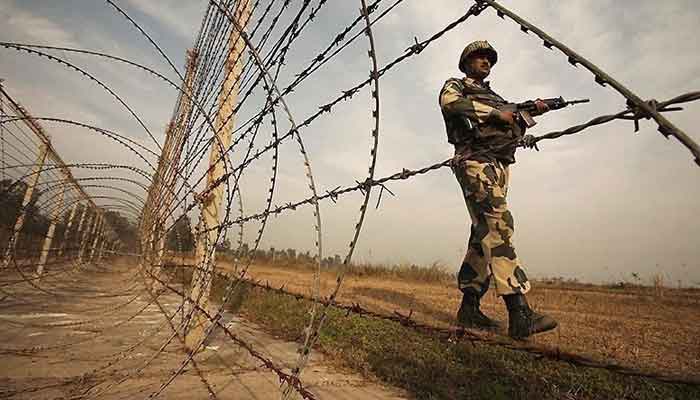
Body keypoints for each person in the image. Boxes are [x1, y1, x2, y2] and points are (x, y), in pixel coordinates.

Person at [438, 40, 558, 339]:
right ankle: (520, 312)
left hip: (500, 164)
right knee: (499, 224)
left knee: (484, 234)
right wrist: (496, 114)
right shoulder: (456, 85)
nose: (485, 61)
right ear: (466, 62)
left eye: (489, 58)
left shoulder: (496, 97)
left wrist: (529, 114)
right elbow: (449, 103)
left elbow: (510, 124)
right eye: (479, 57)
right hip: (474, 160)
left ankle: (469, 308)